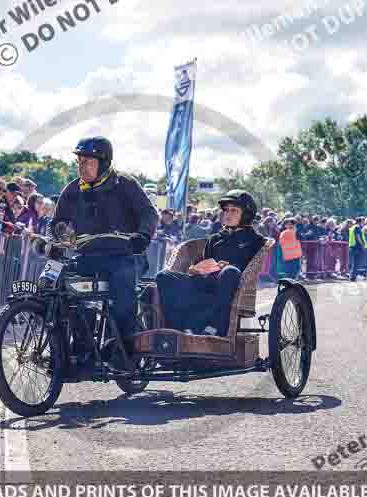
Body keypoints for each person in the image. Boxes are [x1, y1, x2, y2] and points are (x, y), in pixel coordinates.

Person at [49, 136, 158, 366]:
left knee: (121, 287)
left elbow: (149, 214)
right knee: (60, 288)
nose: (82, 166)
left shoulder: (125, 184)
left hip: (126, 256)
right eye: (79, 161)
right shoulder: (72, 190)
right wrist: (60, 234)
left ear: (104, 162)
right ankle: (78, 348)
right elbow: (57, 222)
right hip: (88, 257)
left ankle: (125, 349)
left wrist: (143, 236)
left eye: (88, 161)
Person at [156, 190, 265, 336]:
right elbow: (205, 262)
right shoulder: (215, 238)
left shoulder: (255, 240)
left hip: (232, 283)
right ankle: (176, 329)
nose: (228, 214)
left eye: (234, 210)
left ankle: (214, 327)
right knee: (163, 276)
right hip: (205, 281)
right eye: (226, 210)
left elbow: (253, 267)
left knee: (230, 271)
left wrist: (226, 266)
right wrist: (194, 269)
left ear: (246, 214)